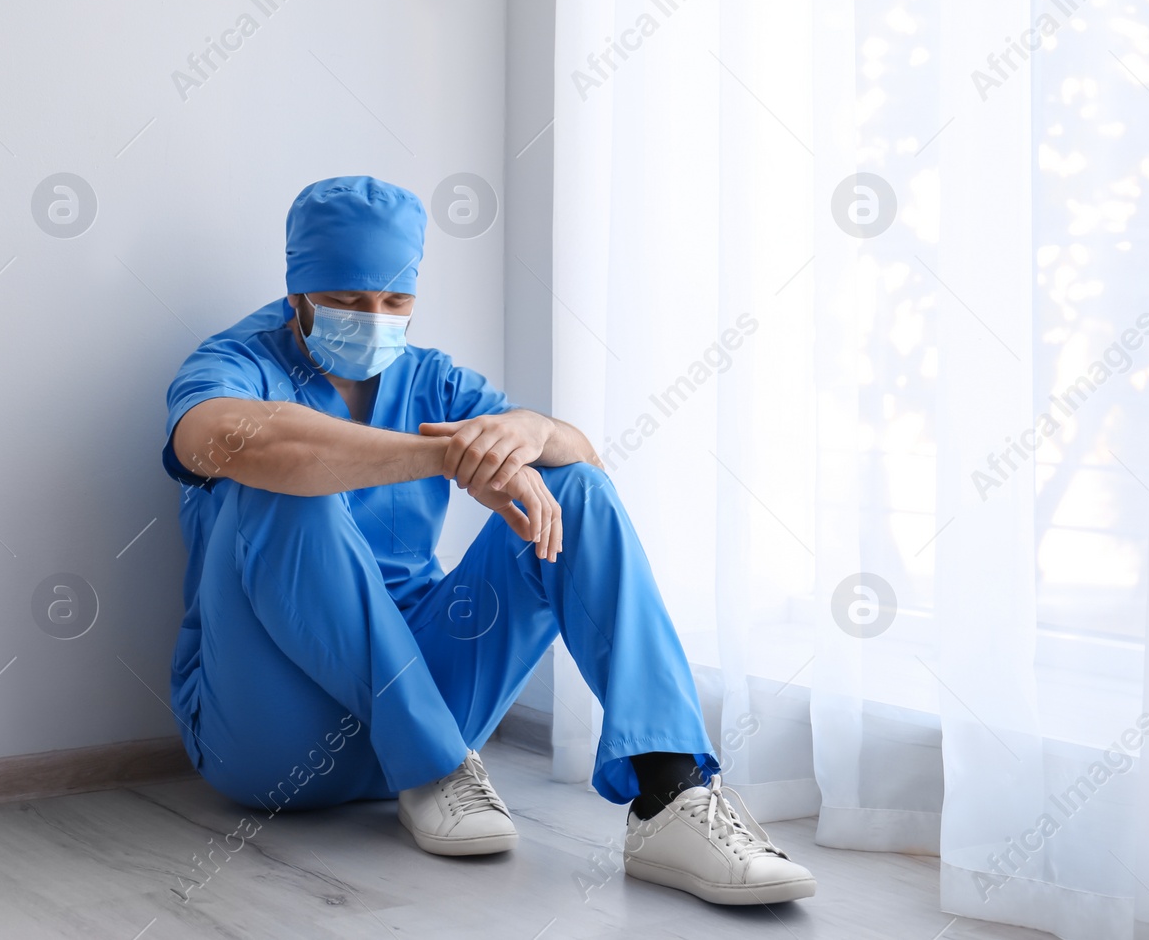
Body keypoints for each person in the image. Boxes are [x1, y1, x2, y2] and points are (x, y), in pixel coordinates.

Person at [160, 175, 816, 906]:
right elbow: (218, 438)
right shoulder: (237, 362)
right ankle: (431, 760)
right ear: (297, 296)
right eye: (347, 300)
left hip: (435, 708)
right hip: (270, 736)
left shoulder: (431, 378)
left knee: (575, 489)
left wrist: (536, 430)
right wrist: (438, 455)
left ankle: (671, 795)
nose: (373, 318)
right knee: (276, 483)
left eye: (394, 302)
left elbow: (584, 463)